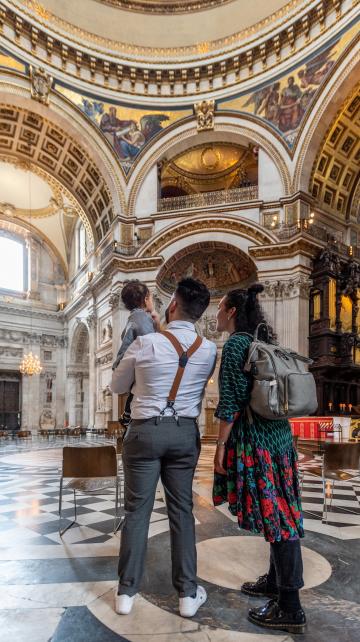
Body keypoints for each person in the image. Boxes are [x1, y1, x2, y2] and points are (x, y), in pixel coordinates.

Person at [111, 278, 217, 618]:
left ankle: (126, 593)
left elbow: (116, 386)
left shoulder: (147, 344)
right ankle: (187, 594)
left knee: (137, 513)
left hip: (144, 433)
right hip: (185, 434)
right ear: (200, 312)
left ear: (172, 306)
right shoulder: (210, 349)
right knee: (182, 511)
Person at [213, 284, 306, 635]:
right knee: (278, 510)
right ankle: (274, 581)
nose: (217, 314)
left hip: (258, 442)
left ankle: (290, 605)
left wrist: (222, 446)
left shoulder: (237, 344)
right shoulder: (263, 338)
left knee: (279, 517)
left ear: (232, 311)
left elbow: (232, 401)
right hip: (280, 438)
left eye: (220, 307)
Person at [112, 280, 160, 429]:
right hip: (136, 365)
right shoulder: (143, 319)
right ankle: (127, 414)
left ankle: (126, 414)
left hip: (128, 363)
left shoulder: (133, 318)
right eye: (151, 298)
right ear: (146, 299)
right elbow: (151, 348)